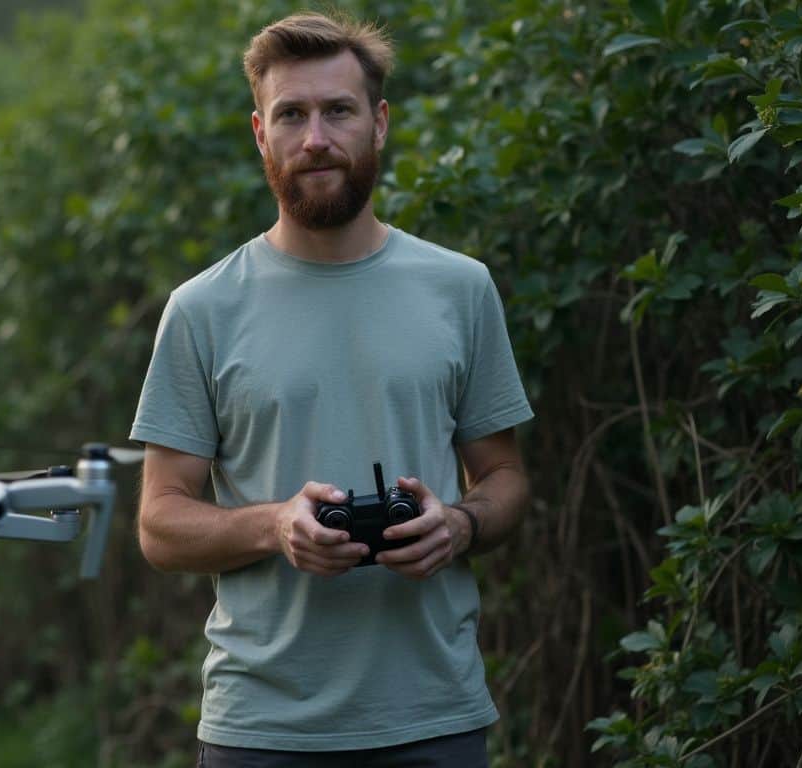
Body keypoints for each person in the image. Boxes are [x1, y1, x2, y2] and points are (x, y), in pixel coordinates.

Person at [130, 10, 533, 768]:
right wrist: (275, 525)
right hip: (262, 729)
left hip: (434, 718)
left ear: (378, 125)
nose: (316, 137)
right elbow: (159, 523)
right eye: (292, 114)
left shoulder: (461, 289)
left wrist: (460, 526)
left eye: (338, 110)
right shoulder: (202, 309)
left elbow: (506, 479)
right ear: (260, 133)